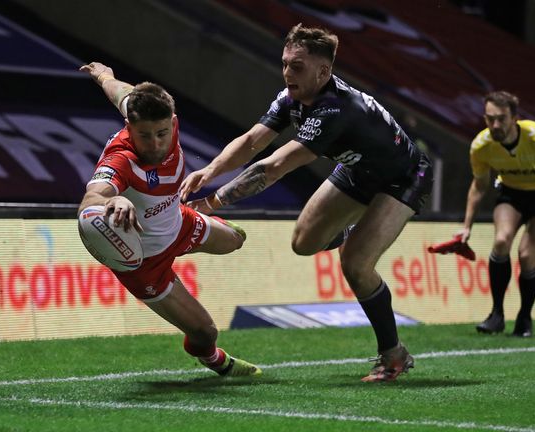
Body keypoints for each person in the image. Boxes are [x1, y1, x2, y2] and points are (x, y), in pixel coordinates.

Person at [180, 24, 433, 383]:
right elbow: (254, 140)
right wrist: (209, 170)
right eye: (284, 63)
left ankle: (393, 355)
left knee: (356, 265)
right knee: (304, 243)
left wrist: (212, 202)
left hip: (403, 177)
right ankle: (350, 232)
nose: (286, 73)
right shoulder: (291, 97)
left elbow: (274, 166)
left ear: (323, 71)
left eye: (296, 67)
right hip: (359, 169)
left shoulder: (335, 109)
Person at [78, 62, 262, 377]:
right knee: (206, 333)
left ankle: (198, 223)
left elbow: (121, 92)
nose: (155, 144)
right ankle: (214, 360)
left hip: (179, 222)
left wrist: (102, 76)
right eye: (143, 135)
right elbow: (93, 198)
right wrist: (115, 199)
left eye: (162, 133)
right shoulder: (121, 160)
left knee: (237, 239)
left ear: (173, 123)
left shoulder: (154, 115)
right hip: (145, 261)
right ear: (129, 126)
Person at [459, 90, 535, 337]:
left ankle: (524, 317)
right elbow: (479, 184)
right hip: (511, 193)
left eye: (501, 118)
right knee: (501, 241)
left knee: (527, 255)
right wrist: (467, 225)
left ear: (514, 117)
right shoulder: (481, 146)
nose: (495, 124)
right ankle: (496, 314)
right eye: (489, 118)